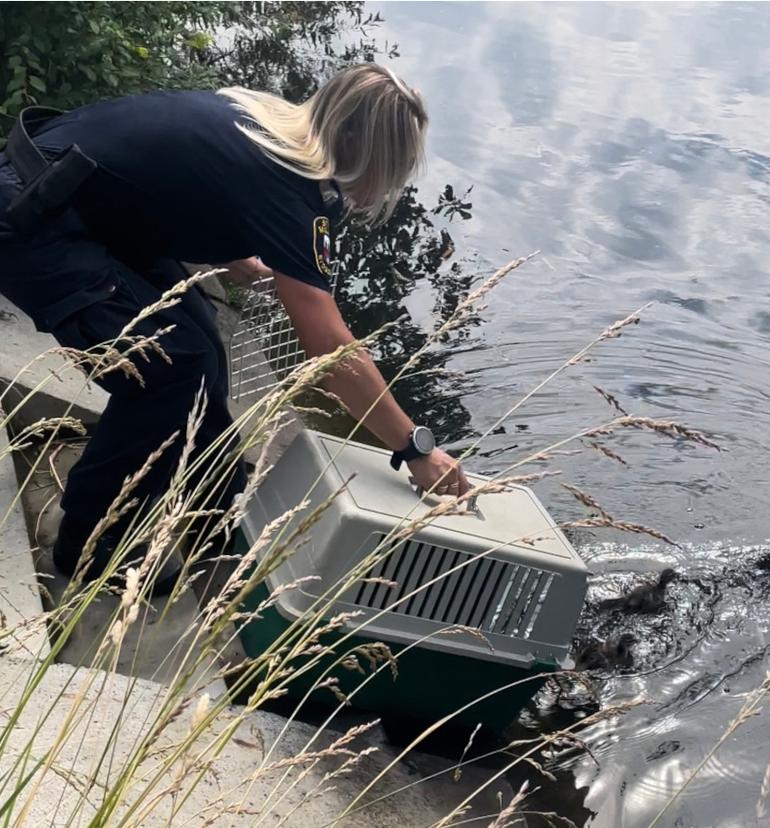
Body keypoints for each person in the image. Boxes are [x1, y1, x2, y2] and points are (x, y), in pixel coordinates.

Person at [0, 63, 470, 594]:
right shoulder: (293, 185)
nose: (381, 184)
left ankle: (210, 496)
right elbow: (332, 352)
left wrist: (231, 254)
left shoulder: (262, 119)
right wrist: (414, 447)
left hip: (65, 191)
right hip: (33, 219)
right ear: (354, 140)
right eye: (388, 165)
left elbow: (180, 181)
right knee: (171, 370)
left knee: (201, 342)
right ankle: (87, 542)